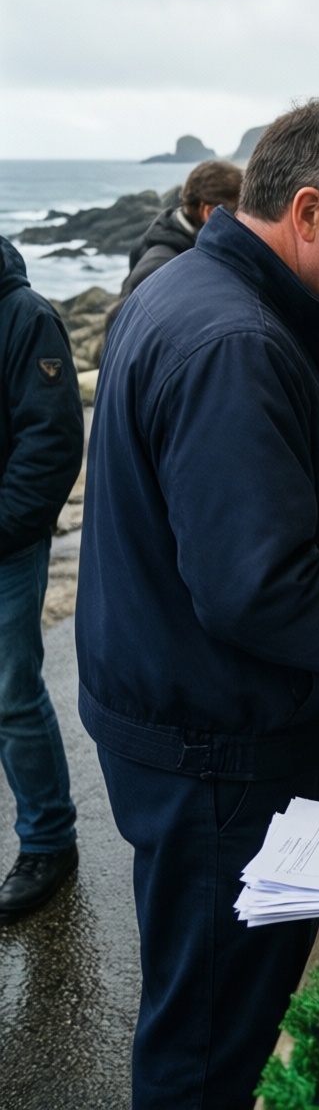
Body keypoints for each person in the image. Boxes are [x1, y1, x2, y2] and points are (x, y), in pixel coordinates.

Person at [77, 99, 319, 1107]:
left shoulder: (204, 293)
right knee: (212, 1029)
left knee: (217, 999)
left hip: (186, 709)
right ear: (306, 210)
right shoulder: (232, 339)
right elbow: (257, 588)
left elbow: (225, 495)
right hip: (215, 742)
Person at [0, 236, 83, 921]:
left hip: (4, 548)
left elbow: (52, 440)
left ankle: (48, 842)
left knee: (12, 698)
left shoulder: (25, 315)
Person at [105, 159, 243, 331]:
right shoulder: (162, 266)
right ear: (209, 212)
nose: (244, 224)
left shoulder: (162, 237)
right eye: (239, 213)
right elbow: (121, 324)